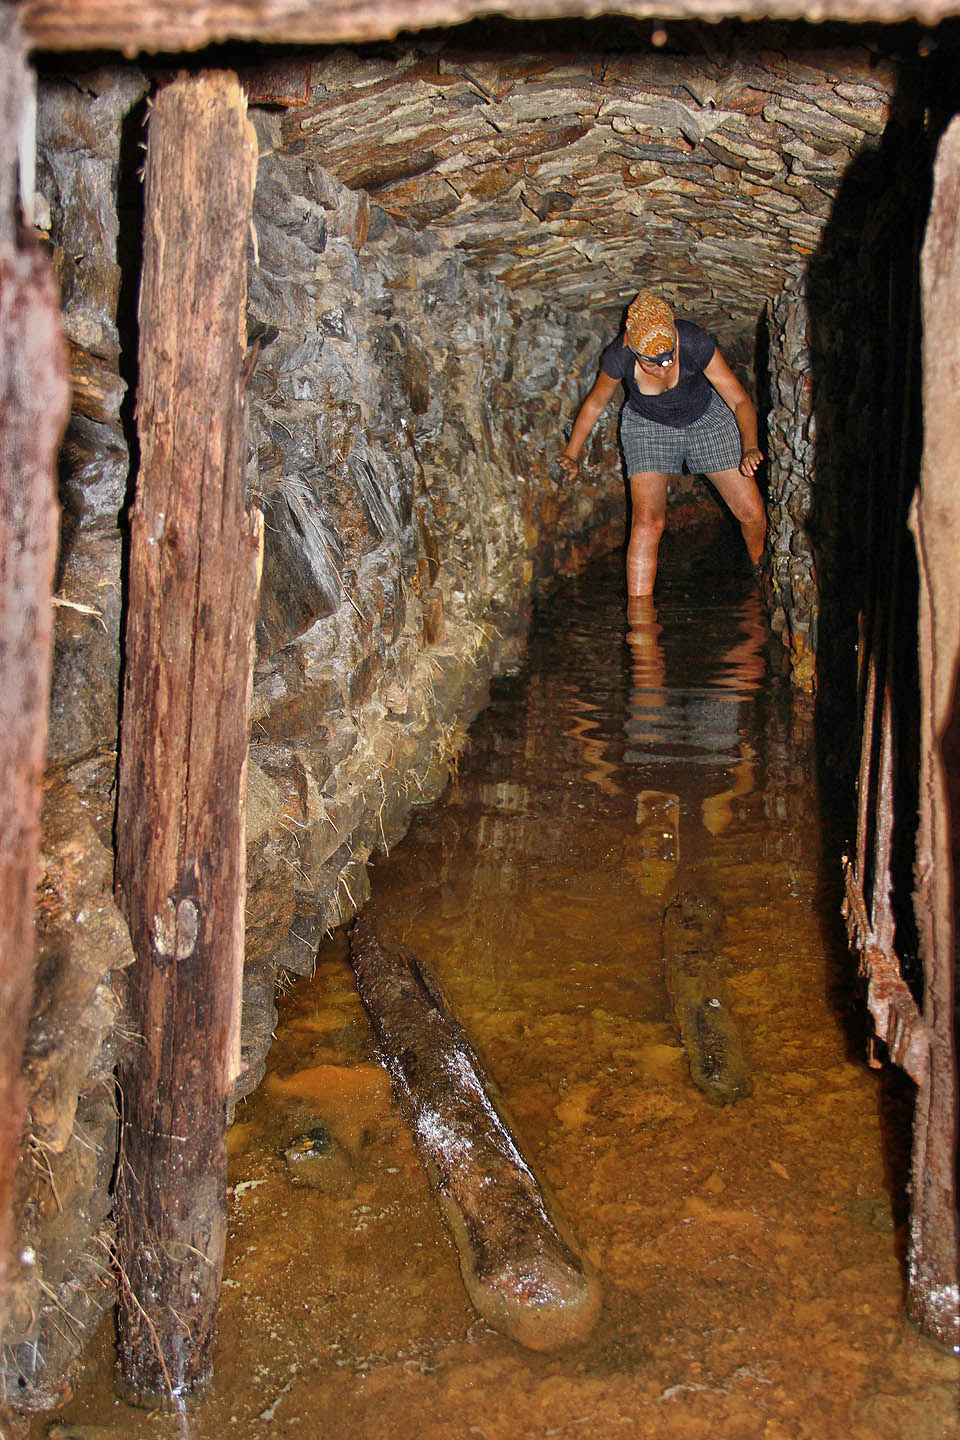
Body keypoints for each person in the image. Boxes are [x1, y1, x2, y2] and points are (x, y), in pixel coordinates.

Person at [558, 290, 766, 597]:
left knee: (751, 512)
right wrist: (572, 453)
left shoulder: (693, 341)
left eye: (669, 358)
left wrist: (750, 447)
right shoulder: (619, 356)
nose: (664, 369)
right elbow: (595, 404)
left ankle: (761, 578)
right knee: (647, 523)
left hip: (707, 418)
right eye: (653, 364)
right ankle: (639, 618)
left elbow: (739, 401)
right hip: (648, 425)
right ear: (633, 349)